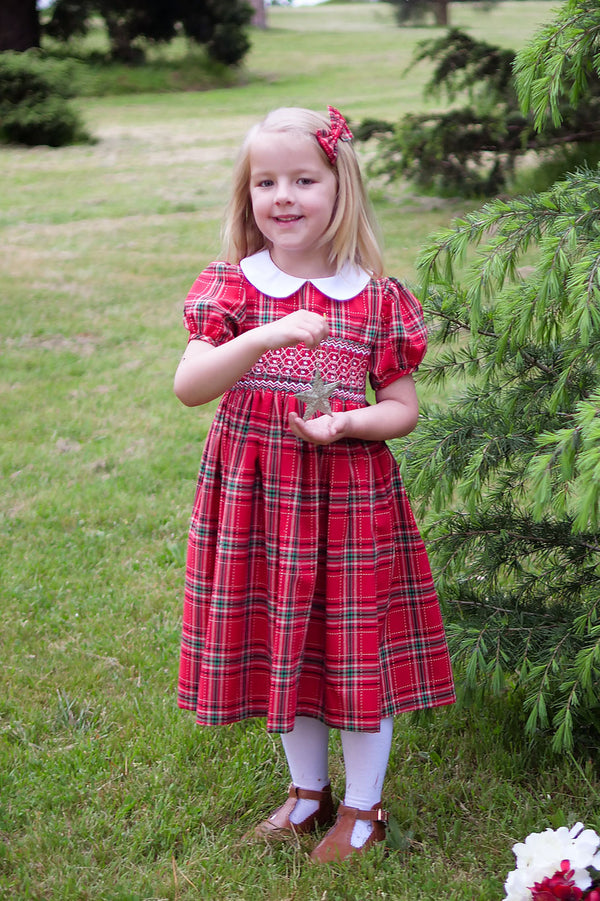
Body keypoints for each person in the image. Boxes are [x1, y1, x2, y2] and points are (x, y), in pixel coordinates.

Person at [174, 105, 455, 863]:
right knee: (287, 644)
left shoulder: (375, 298)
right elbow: (190, 384)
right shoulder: (235, 288)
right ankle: (307, 793)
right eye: (266, 181)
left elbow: (402, 408)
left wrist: (348, 425)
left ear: (341, 188)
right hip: (260, 504)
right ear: (248, 196)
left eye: (304, 178)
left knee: (354, 644)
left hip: (349, 503)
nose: (284, 196)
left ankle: (363, 806)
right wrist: (266, 334)